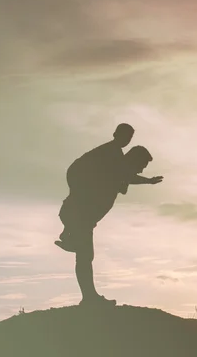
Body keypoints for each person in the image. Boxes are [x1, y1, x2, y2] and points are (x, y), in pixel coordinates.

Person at [56, 127, 163, 307]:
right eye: (142, 165)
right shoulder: (111, 156)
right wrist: (146, 180)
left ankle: (88, 294)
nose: (141, 169)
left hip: (80, 218)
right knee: (85, 256)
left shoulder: (116, 165)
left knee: (85, 256)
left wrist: (147, 180)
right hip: (78, 216)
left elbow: (127, 176)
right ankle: (89, 297)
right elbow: (123, 174)